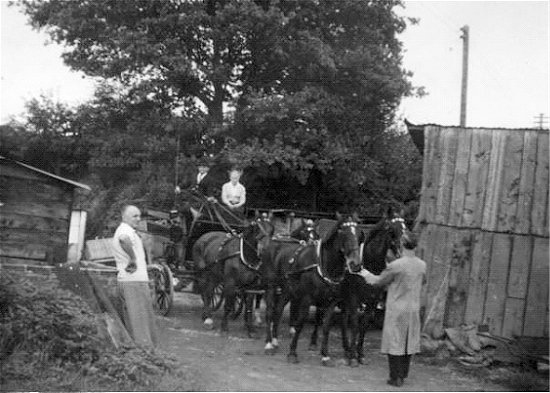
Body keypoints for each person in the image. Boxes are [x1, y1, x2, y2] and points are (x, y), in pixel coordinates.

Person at [359, 231, 426, 387]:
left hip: (397, 309)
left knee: (395, 341)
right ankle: (403, 373)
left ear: (401, 245)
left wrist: (363, 272)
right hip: (413, 307)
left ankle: (395, 377)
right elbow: (423, 281)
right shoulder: (422, 265)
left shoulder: (396, 265)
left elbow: (378, 281)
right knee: (408, 341)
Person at [112, 205, 158, 348]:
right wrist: (133, 259)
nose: (138, 219)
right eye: (134, 216)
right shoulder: (125, 230)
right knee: (140, 323)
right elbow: (124, 240)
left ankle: (139, 353)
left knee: (134, 322)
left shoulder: (128, 230)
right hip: (133, 282)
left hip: (131, 281)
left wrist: (144, 265)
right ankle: (145, 354)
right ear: (123, 217)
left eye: (139, 216)